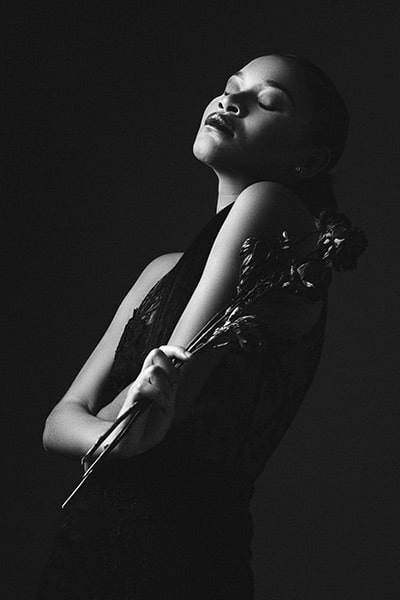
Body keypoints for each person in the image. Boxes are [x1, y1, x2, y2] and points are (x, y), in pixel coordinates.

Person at [36, 54, 366, 599]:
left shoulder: (275, 212)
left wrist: (110, 430)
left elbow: (142, 416)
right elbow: (57, 425)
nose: (229, 100)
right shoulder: (159, 272)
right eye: (231, 86)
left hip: (177, 560)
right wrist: (119, 434)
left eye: (266, 101)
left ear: (309, 160)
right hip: (82, 551)